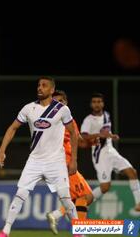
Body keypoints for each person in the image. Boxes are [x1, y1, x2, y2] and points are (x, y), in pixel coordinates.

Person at [0, 77, 80, 237]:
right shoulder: (29, 108)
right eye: (39, 85)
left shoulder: (62, 109)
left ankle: (79, 232)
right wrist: (2, 150)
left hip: (56, 161)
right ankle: (5, 231)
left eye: (44, 85)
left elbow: (73, 134)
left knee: (65, 198)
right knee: (20, 194)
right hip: (35, 160)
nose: (40, 88)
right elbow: (12, 128)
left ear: (52, 90)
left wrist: (74, 159)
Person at [80, 92, 140, 213]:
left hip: (111, 151)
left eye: (99, 102)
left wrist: (111, 135)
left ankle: (138, 203)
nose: (97, 104)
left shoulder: (106, 115)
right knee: (105, 187)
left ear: (103, 103)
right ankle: (78, 206)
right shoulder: (88, 120)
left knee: (132, 172)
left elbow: (106, 131)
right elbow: (83, 136)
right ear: (91, 104)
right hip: (99, 155)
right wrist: (99, 135)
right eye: (94, 102)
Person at [46, 90, 94, 235]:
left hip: (68, 162)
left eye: (61, 101)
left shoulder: (70, 121)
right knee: (83, 196)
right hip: (62, 163)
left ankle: (57, 214)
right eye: (55, 102)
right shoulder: (49, 122)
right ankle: (79, 232)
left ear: (66, 103)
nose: (58, 104)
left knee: (87, 196)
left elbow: (79, 141)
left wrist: (91, 142)